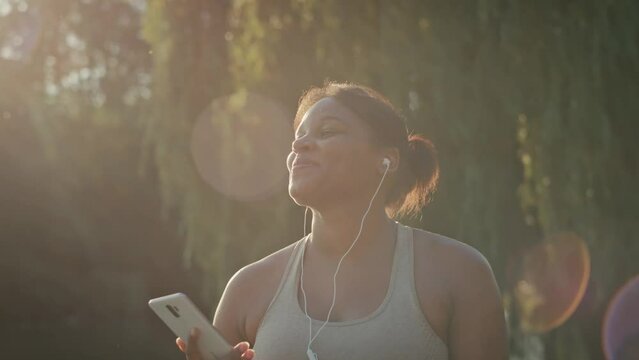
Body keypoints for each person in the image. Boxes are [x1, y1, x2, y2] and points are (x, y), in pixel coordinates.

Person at [176, 82, 507, 359]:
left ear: (386, 160)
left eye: (327, 131)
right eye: (299, 135)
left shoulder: (458, 272)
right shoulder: (247, 289)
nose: (299, 144)